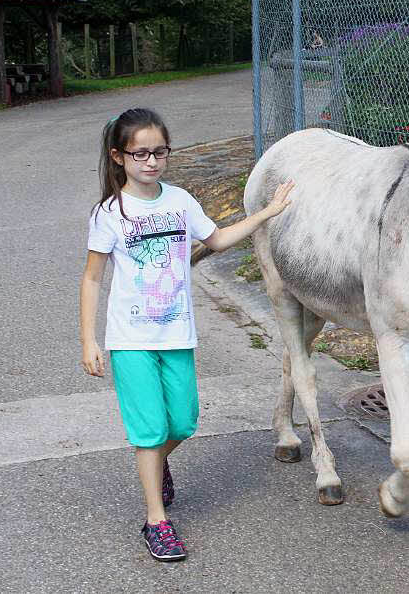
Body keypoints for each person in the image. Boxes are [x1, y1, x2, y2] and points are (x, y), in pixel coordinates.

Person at [78, 108, 294, 561]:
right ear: (119, 157)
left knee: (183, 421)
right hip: (130, 338)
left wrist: (268, 212)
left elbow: (215, 241)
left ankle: (155, 464)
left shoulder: (179, 200)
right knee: (150, 430)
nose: (152, 161)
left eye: (160, 152)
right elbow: (93, 278)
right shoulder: (110, 212)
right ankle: (156, 521)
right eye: (140, 154)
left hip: (177, 332)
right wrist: (88, 339)